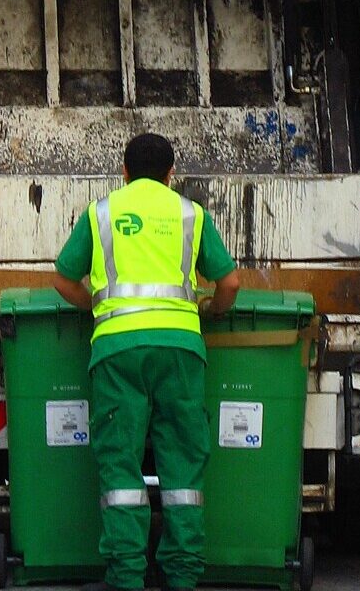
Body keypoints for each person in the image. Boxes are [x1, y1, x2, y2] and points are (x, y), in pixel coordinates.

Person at [53, 133, 239, 591]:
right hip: (181, 350)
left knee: (120, 468)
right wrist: (210, 310)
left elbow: (62, 278)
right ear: (172, 175)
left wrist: (97, 307)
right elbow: (230, 282)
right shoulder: (190, 214)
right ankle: (182, 575)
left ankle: (127, 577)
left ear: (124, 171)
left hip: (116, 351)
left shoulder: (101, 213)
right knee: (183, 470)